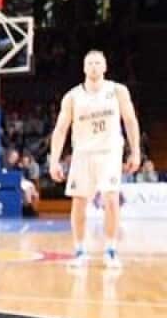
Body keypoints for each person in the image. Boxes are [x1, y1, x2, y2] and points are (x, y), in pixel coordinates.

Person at [48, 49, 142, 268]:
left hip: (110, 152)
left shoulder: (118, 91)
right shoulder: (72, 96)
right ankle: (80, 251)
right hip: (82, 153)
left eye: (98, 63)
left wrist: (135, 151)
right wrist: (54, 160)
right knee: (79, 202)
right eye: (89, 63)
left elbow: (130, 121)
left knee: (111, 199)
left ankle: (110, 250)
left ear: (105, 66)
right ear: (83, 68)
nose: (94, 66)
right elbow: (61, 129)